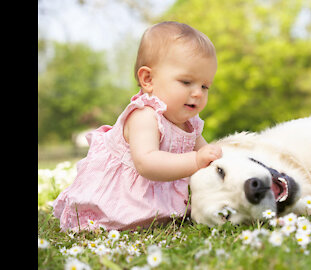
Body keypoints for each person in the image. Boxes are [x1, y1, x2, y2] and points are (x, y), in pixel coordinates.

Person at [52, 21, 222, 231]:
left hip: (157, 199)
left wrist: (215, 158)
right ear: (148, 79)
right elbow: (147, 163)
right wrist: (196, 160)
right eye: (186, 82)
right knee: (109, 221)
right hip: (123, 197)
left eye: (205, 86)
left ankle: (167, 213)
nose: (198, 93)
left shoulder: (191, 124)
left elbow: (207, 153)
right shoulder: (144, 115)